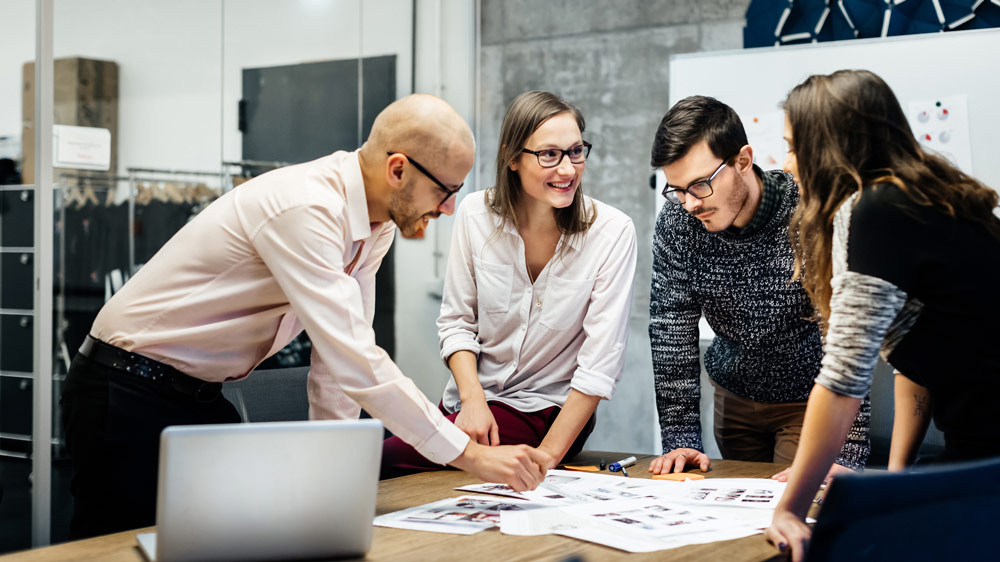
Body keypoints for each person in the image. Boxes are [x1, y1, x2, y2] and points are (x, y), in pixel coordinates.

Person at [59, 94, 553, 539]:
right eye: (444, 191)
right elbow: (356, 358)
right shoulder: (307, 208)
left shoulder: (374, 227)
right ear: (398, 170)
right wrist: (470, 455)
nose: (448, 209)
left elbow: (337, 366)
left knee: (223, 542)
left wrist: (329, 476)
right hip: (123, 388)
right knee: (112, 548)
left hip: (196, 396)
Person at [767, 69, 1000, 561]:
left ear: (827, 146)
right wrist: (898, 479)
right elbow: (921, 356)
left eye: (793, 146)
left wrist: (790, 507)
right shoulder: (931, 195)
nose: (787, 164)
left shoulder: (876, 209)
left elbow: (842, 380)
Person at [381, 91, 637, 478]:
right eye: (549, 154)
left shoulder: (612, 232)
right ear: (513, 158)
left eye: (576, 151)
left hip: (547, 412)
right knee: (378, 446)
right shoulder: (474, 215)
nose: (567, 169)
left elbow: (599, 365)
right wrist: (472, 402)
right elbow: (456, 323)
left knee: (378, 460)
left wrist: (548, 457)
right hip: (471, 404)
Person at [645, 95, 870, 478]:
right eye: (677, 189)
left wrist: (847, 452)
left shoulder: (809, 213)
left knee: (796, 509)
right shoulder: (678, 223)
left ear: (743, 161)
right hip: (733, 398)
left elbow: (845, 333)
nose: (688, 204)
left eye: (699, 185)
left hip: (809, 400)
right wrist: (681, 435)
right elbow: (671, 327)